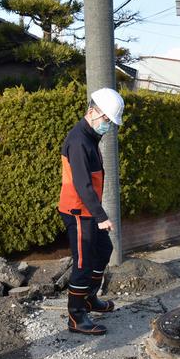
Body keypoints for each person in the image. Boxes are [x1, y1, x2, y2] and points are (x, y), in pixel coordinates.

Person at [58, 88, 124, 336]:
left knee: (104, 250)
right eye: (106, 119)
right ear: (91, 112)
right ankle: (76, 317)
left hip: (88, 210)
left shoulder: (90, 137)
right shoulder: (78, 141)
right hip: (77, 211)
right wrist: (102, 216)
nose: (107, 125)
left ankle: (89, 299)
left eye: (110, 121)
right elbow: (82, 185)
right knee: (84, 263)